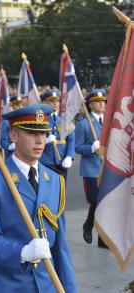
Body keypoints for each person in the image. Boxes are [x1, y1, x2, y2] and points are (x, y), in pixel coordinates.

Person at [0, 104, 77, 293]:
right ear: (13, 135)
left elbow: (60, 246)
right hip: (9, 283)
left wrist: (69, 289)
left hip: (48, 284)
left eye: (44, 134)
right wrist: (22, 252)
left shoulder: (55, 180)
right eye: (31, 133)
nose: (40, 141)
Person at [75, 89, 107, 248]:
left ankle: (102, 238)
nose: (102, 104)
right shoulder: (84, 124)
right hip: (92, 169)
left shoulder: (110, 121)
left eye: (103, 101)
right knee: (96, 201)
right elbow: (78, 147)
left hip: (108, 168)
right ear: (90, 104)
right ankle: (88, 225)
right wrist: (92, 148)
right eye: (98, 101)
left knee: (106, 203)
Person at [40, 89, 75, 179]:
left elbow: (71, 139)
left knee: (62, 189)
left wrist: (69, 156)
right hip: (46, 160)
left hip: (62, 160)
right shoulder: (40, 119)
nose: (55, 103)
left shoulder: (65, 119)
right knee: (48, 189)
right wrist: (46, 140)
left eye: (57, 101)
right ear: (44, 102)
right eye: (52, 101)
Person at [0, 95, 25, 159]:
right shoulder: (6, 121)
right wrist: (10, 146)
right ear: (12, 106)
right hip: (12, 155)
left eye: (21, 104)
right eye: (17, 105)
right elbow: (3, 141)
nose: (20, 107)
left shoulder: (26, 119)